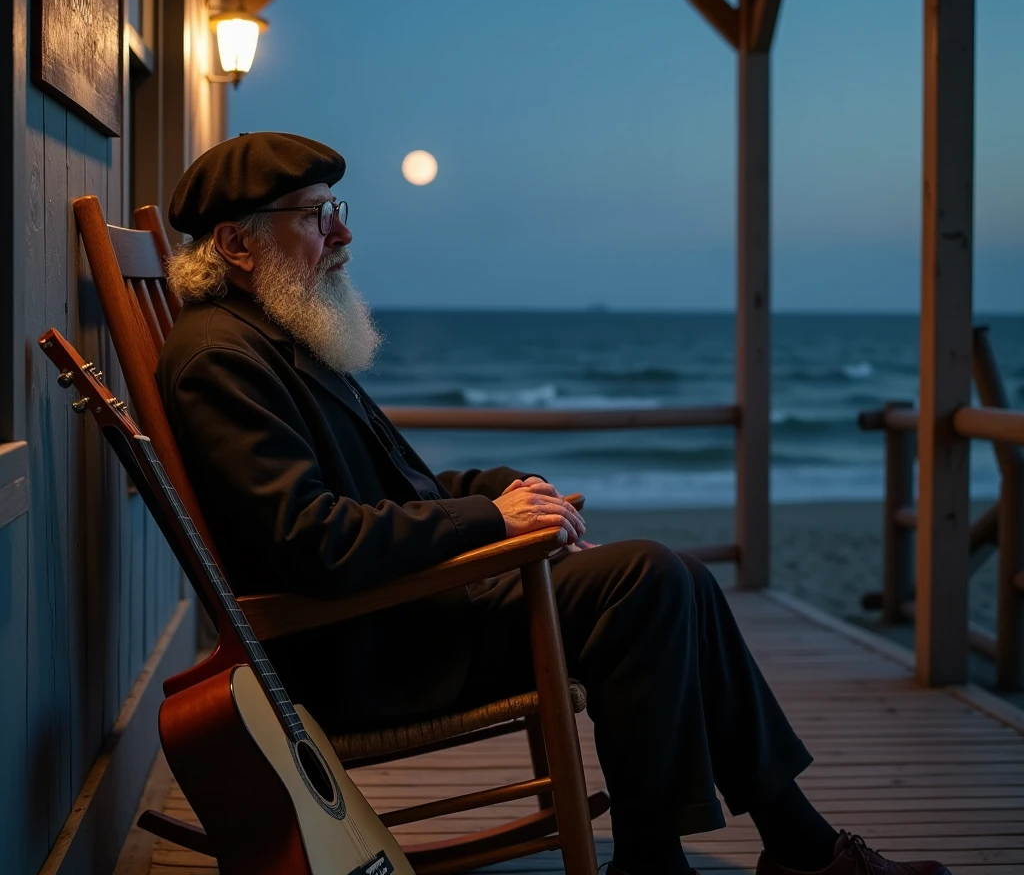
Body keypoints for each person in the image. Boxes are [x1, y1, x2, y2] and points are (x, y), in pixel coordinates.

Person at [157, 132, 948, 875]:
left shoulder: (273, 338)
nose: (342, 235)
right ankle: (690, 859)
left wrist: (505, 489)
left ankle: (792, 846)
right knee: (647, 581)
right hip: (365, 651)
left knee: (679, 582)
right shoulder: (223, 361)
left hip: (402, 618)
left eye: (338, 212)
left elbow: (391, 489)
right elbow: (308, 540)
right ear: (236, 244)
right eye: (316, 215)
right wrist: (491, 523)